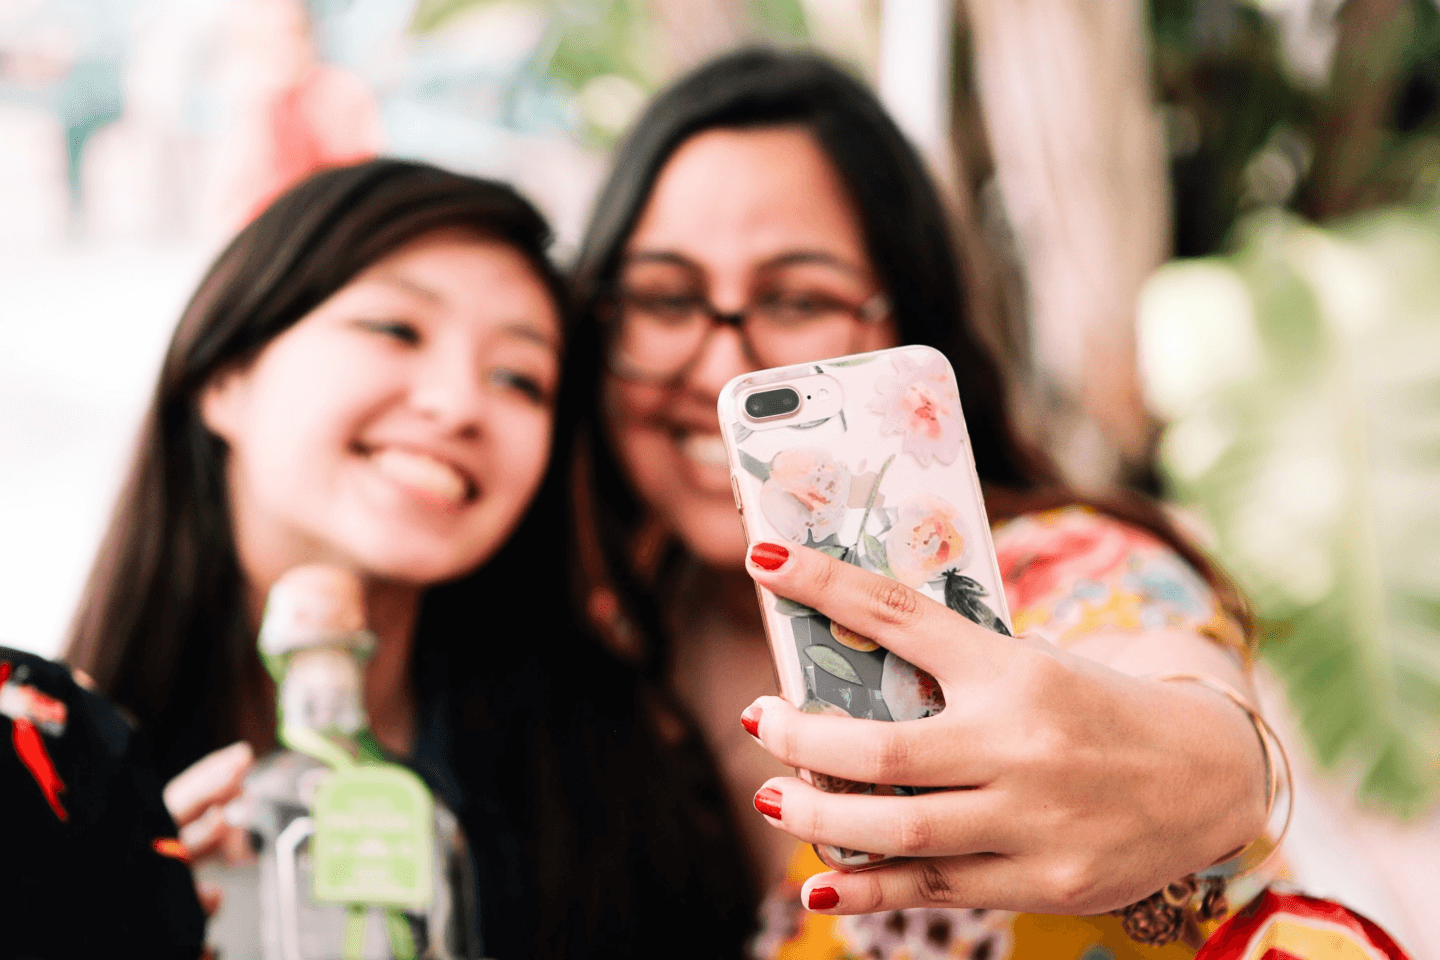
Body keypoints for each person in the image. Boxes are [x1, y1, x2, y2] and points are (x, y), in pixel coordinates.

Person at [570, 48, 1408, 959]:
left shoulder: (1052, 570)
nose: (720, 365)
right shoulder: (594, 640)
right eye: (663, 298)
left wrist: (1220, 769)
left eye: (798, 295)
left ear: (904, 325)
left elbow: (1172, 690)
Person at [64, 159, 755, 959]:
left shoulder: (627, 784)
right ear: (227, 371)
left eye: (520, 378)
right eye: (396, 330)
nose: (459, 403)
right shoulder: (47, 778)